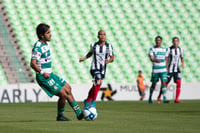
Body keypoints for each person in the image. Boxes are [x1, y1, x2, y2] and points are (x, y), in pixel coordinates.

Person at [30, 23, 83, 121]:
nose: (50, 34)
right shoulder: (38, 47)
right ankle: (63, 115)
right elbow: (33, 64)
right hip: (43, 77)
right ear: (42, 35)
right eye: (48, 33)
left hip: (50, 74)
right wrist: (42, 73)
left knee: (68, 88)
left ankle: (79, 113)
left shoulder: (45, 44)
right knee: (63, 94)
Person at [79, 30, 114, 109]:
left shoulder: (109, 46)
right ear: (98, 36)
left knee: (96, 85)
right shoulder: (93, 45)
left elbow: (112, 58)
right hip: (94, 68)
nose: (102, 36)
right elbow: (90, 53)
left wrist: (108, 61)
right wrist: (84, 58)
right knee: (98, 81)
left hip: (102, 69)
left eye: (104, 34)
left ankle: (87, 100)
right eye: (101, 34)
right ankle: (93, 102)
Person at [157, 37, 184, 103]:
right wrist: (166, 68)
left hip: (177, 69)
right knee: (165, 84)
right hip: (170, 70)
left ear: (178, 42)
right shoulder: (169, 49)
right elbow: (166, 59)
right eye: (174, 41)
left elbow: (182, 57)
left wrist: (183, 63)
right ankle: (159, 97)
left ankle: (176, 99)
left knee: (179, 83)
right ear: (172, 42)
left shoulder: (180, 49)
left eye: (177, 41)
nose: (175, 42)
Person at [148, 36, 169, 104]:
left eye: (159, 40)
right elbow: (151, 58)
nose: (158, 41)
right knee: (154, 84)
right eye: (157, 40)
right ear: (155, 41)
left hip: (163, 69)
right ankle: (150, 97)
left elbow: (166, 60)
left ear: (161, 41)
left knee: (164, 82)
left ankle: (165, 97)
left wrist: (167, 68)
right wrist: (155, 60)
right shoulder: (152, 49)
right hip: (156, 69)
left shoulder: (165, 49)